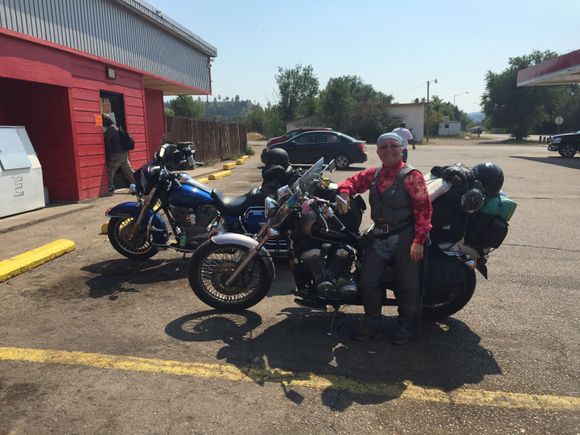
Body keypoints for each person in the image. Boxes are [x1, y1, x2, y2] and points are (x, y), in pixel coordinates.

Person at [337, 132, 432, 344]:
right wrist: (344, 192)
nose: (389, 150)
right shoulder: (376, 174)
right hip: (379, 235)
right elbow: (353, 180)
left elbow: (424, 211)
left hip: (405, 236)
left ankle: (406, 325)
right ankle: (373, 323)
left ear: (402, 149)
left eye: (393, 146)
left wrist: (419, 240)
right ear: (378, 152)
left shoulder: (411, 176)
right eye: (383, 147)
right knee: (368, 280)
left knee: (407, 284)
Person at [103, 114, 134, 193]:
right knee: (128, 171)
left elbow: (105, 137)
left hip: (117, 153)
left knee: (109, 170)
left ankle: (110, 187)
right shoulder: (115, 127)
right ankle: (138, 183)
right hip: (123, 153)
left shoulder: (111, 128)